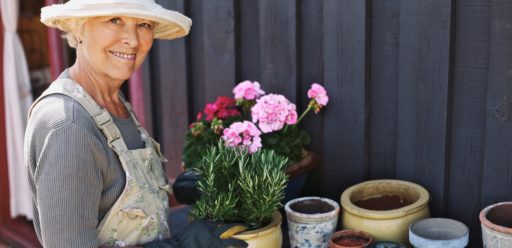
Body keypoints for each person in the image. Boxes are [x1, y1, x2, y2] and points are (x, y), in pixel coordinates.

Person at [24, 0, 246, 247]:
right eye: (114, 20)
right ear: (78, 28)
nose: (132, 39)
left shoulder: (112, 102)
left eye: (143, 24)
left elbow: (114, 200)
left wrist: (174, 192)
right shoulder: (68, 125)